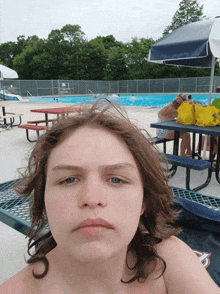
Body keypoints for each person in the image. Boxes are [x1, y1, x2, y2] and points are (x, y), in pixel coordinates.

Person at [1, 99, 219, 293]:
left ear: (144, 201)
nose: (92, 198)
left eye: (116, 179)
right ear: (43, 200)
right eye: (68, 179)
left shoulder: (170, 260)